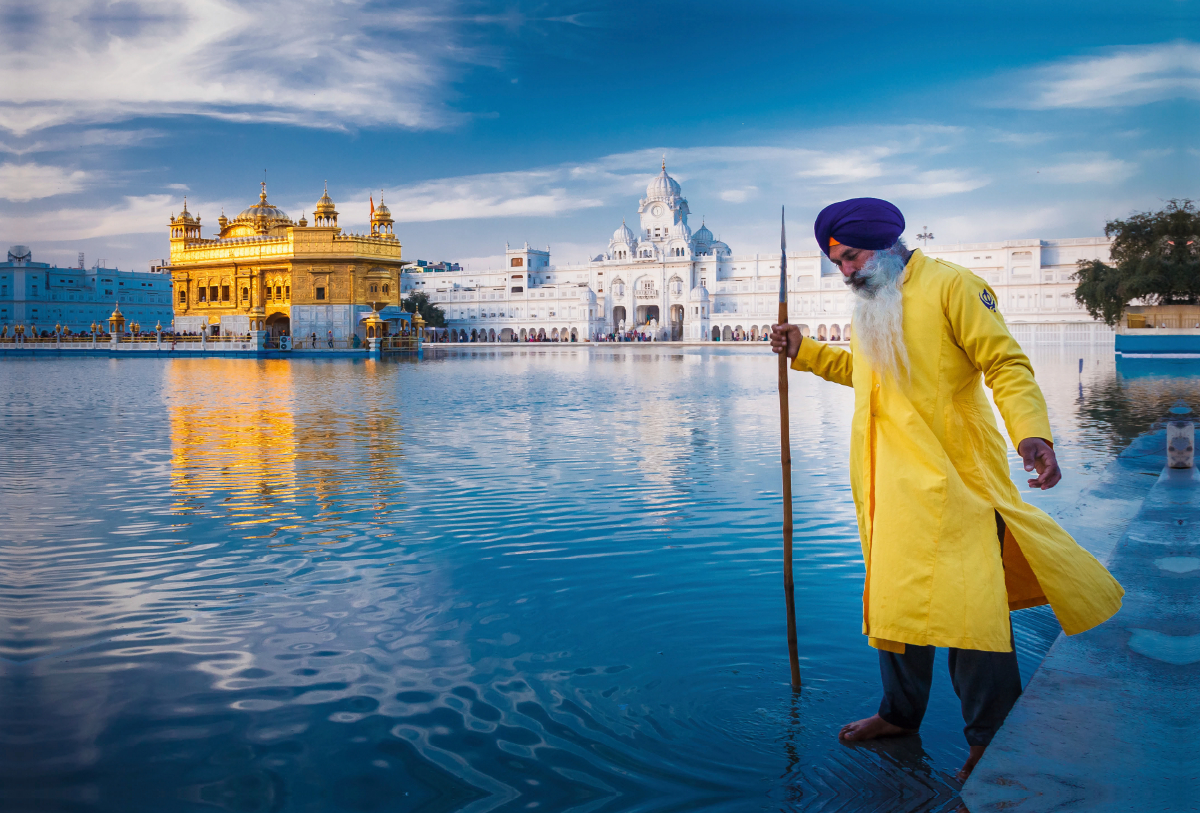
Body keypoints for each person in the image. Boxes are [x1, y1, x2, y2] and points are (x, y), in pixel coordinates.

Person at [770, 198, 1123, 782]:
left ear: (885, 247)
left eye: (852, 258)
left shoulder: (955, 287)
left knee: (970, 614)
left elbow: (1005, 364)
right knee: (897, 604)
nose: (846, 273)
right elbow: (869, 374)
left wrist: (1032, 434)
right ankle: (899, 715)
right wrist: (805, 353)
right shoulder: (874, 302)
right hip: (890, 483)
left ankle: (991, 740)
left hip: (954, 481)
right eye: (838, 264)